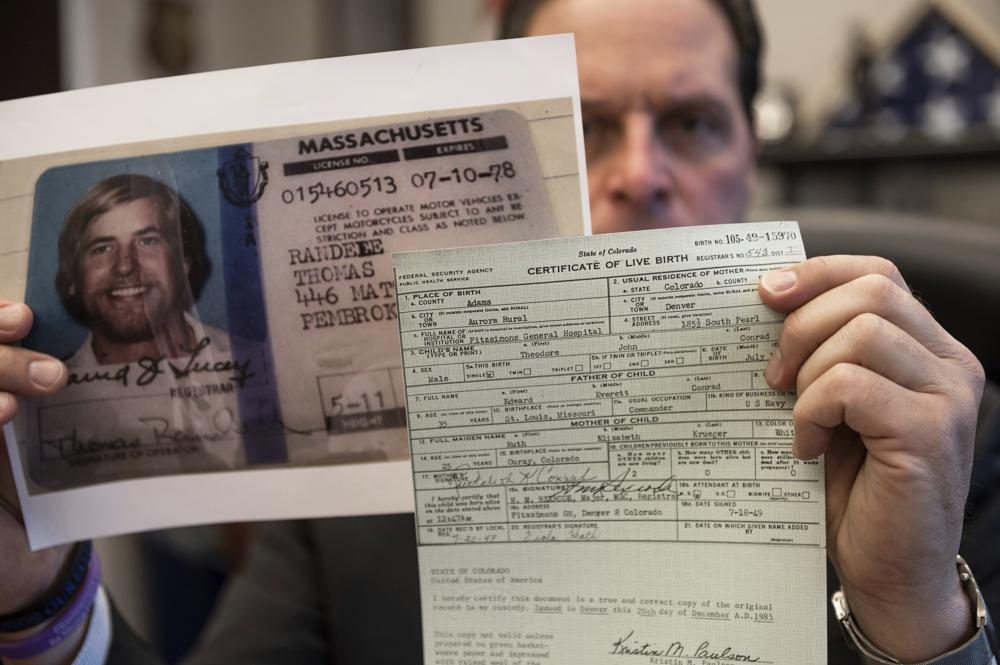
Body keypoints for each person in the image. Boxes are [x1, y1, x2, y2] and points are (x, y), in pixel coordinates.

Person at [0, 1, 996, 663]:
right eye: (589, 125)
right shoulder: (360, 474)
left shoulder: (928, 447)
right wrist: (37, 599)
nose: (641, 174)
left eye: (691, 123)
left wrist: (916, 614)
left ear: (752, 152)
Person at [53, 173, 221, 367]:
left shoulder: (246, 360)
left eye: (147, 241)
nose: (125, 267)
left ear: (184, 264)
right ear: (72, 278)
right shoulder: (52, 384)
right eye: (102, 249)